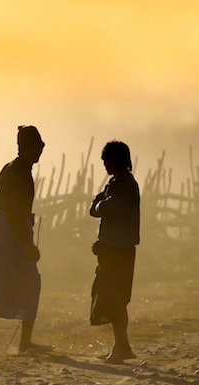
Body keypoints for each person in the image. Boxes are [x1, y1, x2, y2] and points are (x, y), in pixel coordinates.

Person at [0, 125, 49, 357]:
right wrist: (27, 244)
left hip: (1, 232)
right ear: (27, 148)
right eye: (37, 147)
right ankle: (24, 343)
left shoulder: (12, 169)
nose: (40, 151)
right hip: (11, 234)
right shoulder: (19, 173)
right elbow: (16, 214)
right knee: (30, 283)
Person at [89, 140, 140, 363]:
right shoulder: (118, 183)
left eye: (106, 160)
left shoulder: (124, 185)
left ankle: (120, 348)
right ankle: (123, 346)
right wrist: (99, 205)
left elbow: (107, 208)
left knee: (115, 298)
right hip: (114, 249)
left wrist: (100, 204)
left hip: (118, 251)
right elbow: (96, 208)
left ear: (113, 160)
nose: (105, 165)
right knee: (113, 297)